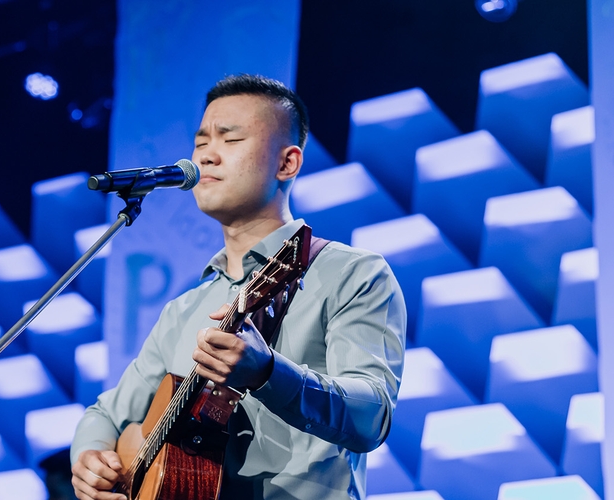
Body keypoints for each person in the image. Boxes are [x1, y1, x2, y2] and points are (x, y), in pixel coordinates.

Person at [70, 74, 406, 500]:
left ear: (287, 163)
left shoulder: (352, 273)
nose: (207, 155)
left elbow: (371, 415)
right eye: (201, 141)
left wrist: (269, 373)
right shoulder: (185, 308)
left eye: (229, 140)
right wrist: (90, 457)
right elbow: (107, 413)